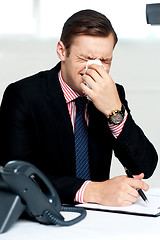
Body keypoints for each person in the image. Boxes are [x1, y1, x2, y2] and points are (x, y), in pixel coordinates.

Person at [0, 9, 158, 207]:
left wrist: (114, 111)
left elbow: (146, 166)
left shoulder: (112, 93)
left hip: (99, 218)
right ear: (61, 51)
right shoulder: (24, 95)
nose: (94, 69)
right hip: (44, 214)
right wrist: (94, 190)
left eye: (105, 61)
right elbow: (15, 175)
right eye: (85, 59)